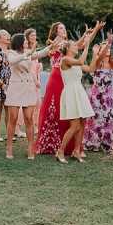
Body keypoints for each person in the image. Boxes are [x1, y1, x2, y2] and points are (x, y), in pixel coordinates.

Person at [35, 22, 87, 155]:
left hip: (67, 77)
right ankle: (52, 143)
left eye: (64, 27)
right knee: (55, 107)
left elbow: (78, 45)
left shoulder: (67, 43)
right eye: (61, 28)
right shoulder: (55, 43)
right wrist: (84, 38)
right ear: (55, 31)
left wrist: (87, 34)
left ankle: (70, 145)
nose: (63, 30)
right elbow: (77, 45)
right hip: (56, 76)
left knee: (68, 108)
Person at [55, 23, 103, 163]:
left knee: (82, 123)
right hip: (71, 93)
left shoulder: (75, 61)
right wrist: (87, 45)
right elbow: (82, 60)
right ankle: (60, 151)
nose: (77, 47)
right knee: (75, 125)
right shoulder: (65, 60)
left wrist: (94, 54)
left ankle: (77, 151)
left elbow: (91, 68)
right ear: (68, 48)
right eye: (75, 46)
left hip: (78, 91)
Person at [4, 33, 48, 160]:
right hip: (15, 88)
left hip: (28, 88)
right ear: (19, 42)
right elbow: (12, 61)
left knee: (29, 118)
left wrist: (51, 47)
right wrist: (27, 54)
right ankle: (9, 147)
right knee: (13, 118)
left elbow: (40, 53)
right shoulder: (11, 53)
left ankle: (30, 147)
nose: (27, 42)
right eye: (24, 40)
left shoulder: (29, 52)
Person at [83, 32, 113, 153]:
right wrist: (108, 43)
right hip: (97, 96)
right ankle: (93, 143)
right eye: (105, 47)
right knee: (96, 120)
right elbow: (99, 57)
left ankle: (107, 144)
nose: (107, 49)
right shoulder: (97, 62)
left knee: (109, 120)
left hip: (109, 96)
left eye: (109, 48)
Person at [0, 30, 12, 142]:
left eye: (8, 35)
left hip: (9, 83)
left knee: (8, 108)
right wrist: (1, 83)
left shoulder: (10, 51)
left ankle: (9, 133)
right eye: (5, 35)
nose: (8, 36)